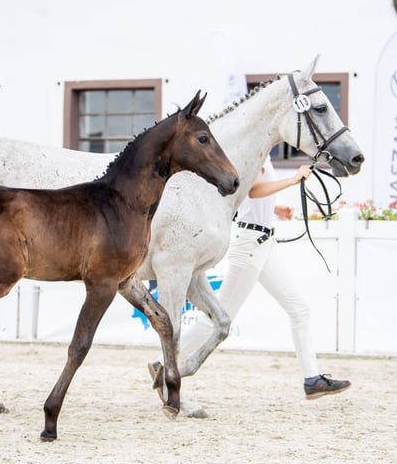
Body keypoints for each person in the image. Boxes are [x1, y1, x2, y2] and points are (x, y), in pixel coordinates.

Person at [150, 159, 351, 410]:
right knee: (217, 318)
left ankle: (312, 379)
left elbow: (252, 196)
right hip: (249, 244)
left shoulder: (263, 155)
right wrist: (294, 178)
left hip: (265, 242)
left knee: (299, 308)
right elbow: (254, 190)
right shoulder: (258, 156)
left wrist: (275, 210)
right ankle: (161, 363)